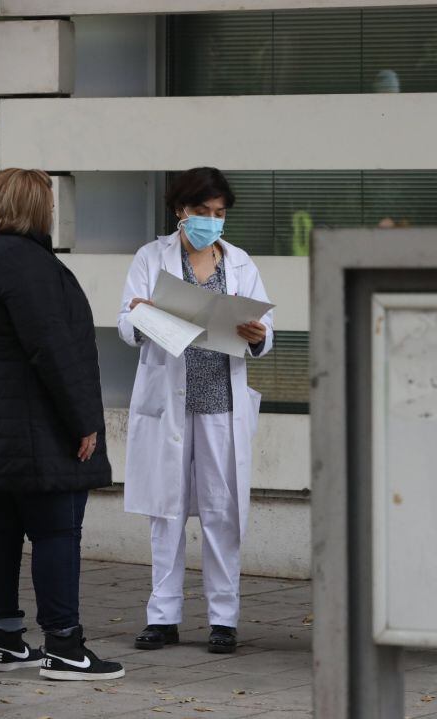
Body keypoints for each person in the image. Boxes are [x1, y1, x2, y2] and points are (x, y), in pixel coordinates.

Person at [0, 169, 123, 680]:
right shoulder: (29, 264)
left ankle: (4, 640)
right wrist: (84, 421)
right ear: (37, 208)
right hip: (33, 428)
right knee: (57, 531)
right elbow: (52, 351)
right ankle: (63, 647)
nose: (55, 214)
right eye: (51, 205)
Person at [118, 167, 273, 655]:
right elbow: (126, 320)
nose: (211, 221)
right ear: (180, 211)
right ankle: (162, 616)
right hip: (169, 402)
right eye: (202, 212)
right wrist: (141, 316)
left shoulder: (241, 263)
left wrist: (259, 335)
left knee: (221, 512)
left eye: (219, 213)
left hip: (220, 403)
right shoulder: (152, 257)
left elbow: (266, 328)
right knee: (165, 512)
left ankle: (223, 618)